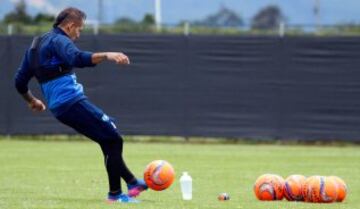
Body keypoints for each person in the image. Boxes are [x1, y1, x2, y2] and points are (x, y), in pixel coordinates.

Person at [14, 7, 147, 203]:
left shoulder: (35, 46)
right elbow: (77, 58)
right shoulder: (60, 40)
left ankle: (130, 183)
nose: (79, 34)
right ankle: (118, 193)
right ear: (69, 26)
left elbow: (19, 81)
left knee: (108, 139)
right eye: (80, 29)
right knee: (113, 139)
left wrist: (32, 101)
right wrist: (108, 55)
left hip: (61, 108)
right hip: (71, 102)